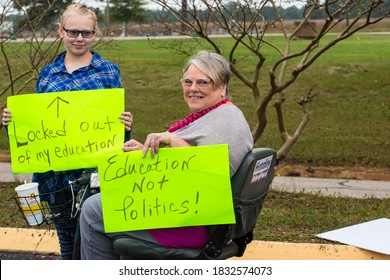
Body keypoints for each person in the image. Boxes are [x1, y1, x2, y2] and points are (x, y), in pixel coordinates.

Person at [79, 50, 254, 260]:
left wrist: (173, 140)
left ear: (222, 86)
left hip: (192, 223)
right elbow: (187, 162)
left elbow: (209, 178)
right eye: (188, 81)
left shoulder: (226, 121)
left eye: (203, 82)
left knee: (92, 209)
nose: (193, 89)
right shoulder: (216, 113)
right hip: (187, 213)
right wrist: (145, 152)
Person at [1, 4, 132, 260]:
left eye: (86, 33)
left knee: (97, 239)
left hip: (94, 176)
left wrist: (125, 124)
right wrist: (13, 123)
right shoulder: (48, 74)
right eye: (73, 32)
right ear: (61, 32)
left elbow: (116, 131)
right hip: (56, 177)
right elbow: (37, 127)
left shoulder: (108, 71)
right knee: (66, 241)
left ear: (95, 34)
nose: (79, 38)